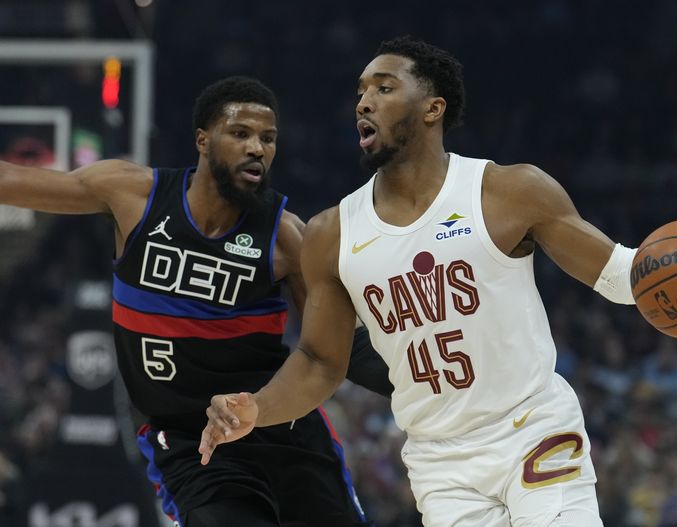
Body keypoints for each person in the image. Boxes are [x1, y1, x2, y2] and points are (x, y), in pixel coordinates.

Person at [199, 38, 677, 526]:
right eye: (360, 92)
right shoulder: (331, 234)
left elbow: (617, 273)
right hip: (441, 460)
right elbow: (321, 361)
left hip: (532, 430)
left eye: (385, 87)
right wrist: (257, 407)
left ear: (432, 109)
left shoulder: (509, 192)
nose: (363, 101)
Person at [0, 76, 394, 527]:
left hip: (283, 430)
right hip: (190, 442)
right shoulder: (133, 196)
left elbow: (338, 349)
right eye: (240, 134)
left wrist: (425, 376)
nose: (257, 148)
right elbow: (12, 179)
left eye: (268, 138)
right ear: (203, 140)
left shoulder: (285, 236)